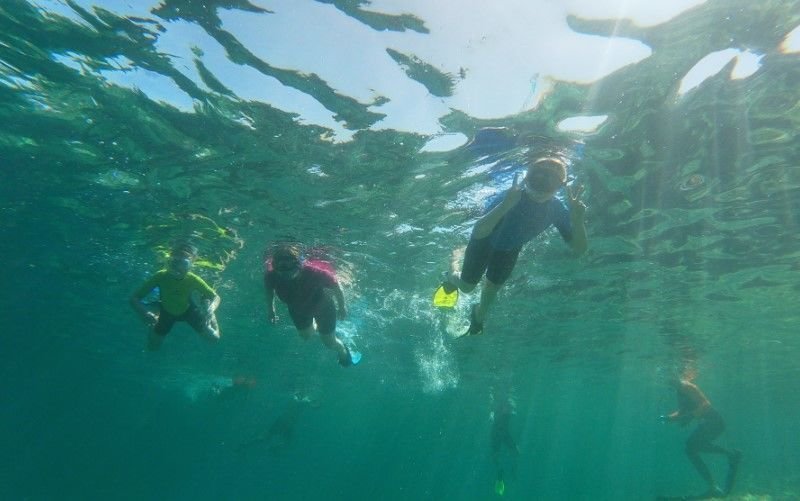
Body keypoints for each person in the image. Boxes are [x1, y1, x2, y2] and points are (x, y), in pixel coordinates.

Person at [441, 156, 587, 335]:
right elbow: (478, 232)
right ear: (527, 178)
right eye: (537, 176)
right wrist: (507, 204)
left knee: (492, 289)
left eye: (551, 179)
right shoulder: (511, 195)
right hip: (484, 242)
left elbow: (579, 249)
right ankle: (451, 272)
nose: (542, 185)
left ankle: (478, 315)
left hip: (510, 250)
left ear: (560, 186)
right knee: (467, 287)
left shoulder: (557, 209)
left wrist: (578, 220)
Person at [264, 244, 356, 366]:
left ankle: (344, 353)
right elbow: (269, 291)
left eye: (291, 272)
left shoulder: (315, 272)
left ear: (299, 265)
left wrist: (342, 306)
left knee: (329, 342)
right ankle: (317, 326)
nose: (288, 276)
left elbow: (336, 286)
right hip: (297, 310)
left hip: (324, 309)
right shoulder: (271, 276)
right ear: (276, 268)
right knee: (306, 336)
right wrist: (271, 310)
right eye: (283, 273)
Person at [659, 376, 742, 497]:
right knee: (691, 449)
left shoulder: (688, 387)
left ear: (675, 378)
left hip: (714, 422)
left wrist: (691, 415)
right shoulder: (680, 391)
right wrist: (668, 418)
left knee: (691, 447)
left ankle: (729, 459)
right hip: (708, 422)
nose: (669, 384)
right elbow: (682, 411)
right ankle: (728, 460)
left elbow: (706, 404)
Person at [130, 247, 221, 351]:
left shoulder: (193, 279)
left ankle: (209, 313)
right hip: (166, 313)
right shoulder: (160, 276)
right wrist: (144, 313)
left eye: (184, 264)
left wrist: (211, 310)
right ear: (169, 263)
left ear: (190, 266)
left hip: (188, 311)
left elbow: (215, 297)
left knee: (214, 339)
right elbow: (134, 298)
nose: (178, 269)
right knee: (153, 347)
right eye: (174, 263)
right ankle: (154, 321)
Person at [491, 396, 520, 496]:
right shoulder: (499, 411)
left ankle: (512, 471)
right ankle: (500, 475)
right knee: (496, 456)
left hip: (503, 434)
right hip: (497, 435)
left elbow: (511, 411)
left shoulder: (508, 411)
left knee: (516, 452)